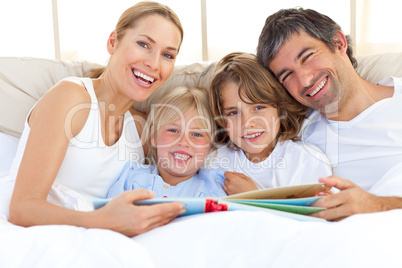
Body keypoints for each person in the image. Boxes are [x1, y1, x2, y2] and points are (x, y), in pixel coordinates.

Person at [8, 1, 186, 237]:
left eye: (167, 55)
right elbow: (22, 209)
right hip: (33, 235)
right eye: (143, 44)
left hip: (95, 240)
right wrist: (102, 221)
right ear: (113, 42)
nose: (154, 64)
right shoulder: (71, 98)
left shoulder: (140, 130)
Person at [256, 7, 402, 221]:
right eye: (287, 75)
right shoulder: (296, 135)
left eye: (307, 57)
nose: (305, 81)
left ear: (338, 43)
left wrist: (377, 205)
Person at [207, 52, 332, 195]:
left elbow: (321, 213)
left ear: (279, 108)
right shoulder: (215, 161)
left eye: (258, 108)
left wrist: (254, 196)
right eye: (233, 113)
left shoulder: (306, 161)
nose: (247, 123)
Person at [107, 86, 226, 198]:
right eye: (173, 130)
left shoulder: (215, 188)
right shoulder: (132, 179)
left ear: (210, 146)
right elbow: (110, 215)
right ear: (154, 136)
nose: (183, 142)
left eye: (196, 134)